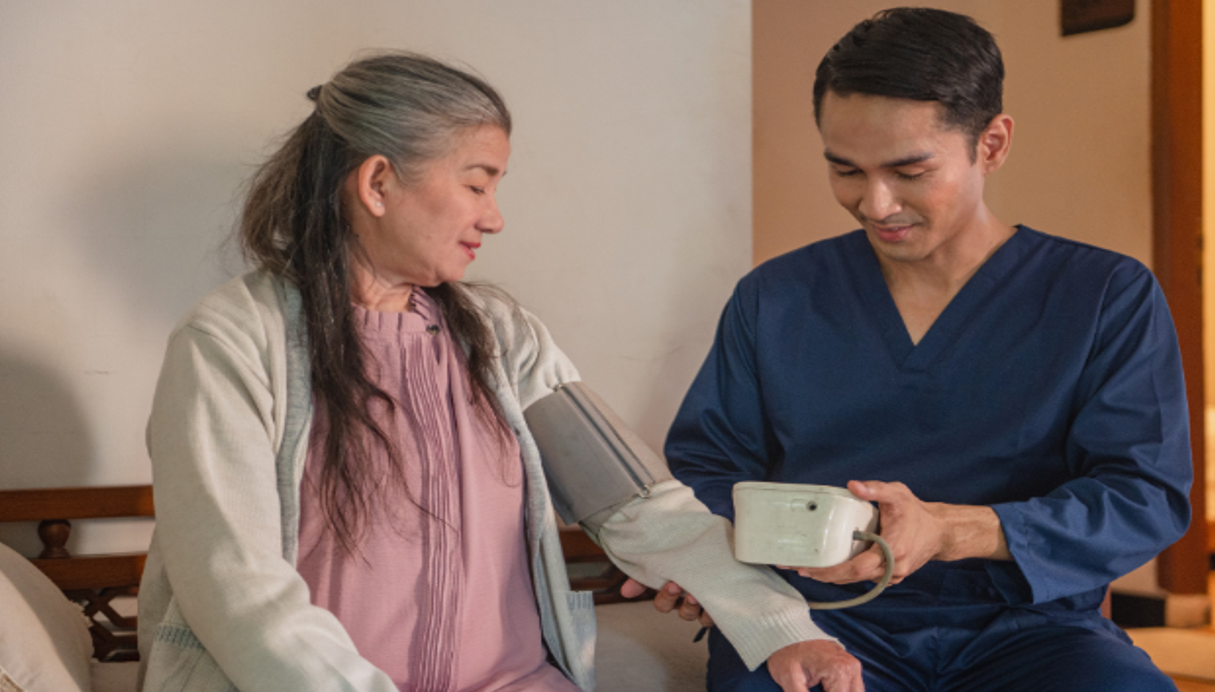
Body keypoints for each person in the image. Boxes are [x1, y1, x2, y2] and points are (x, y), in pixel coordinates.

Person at [135, 51, 839, 692]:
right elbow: (237, 586)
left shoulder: (502, 339)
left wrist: (781, 626)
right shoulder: (230, 341)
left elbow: (636, 505)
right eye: (477, 185)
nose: (494, 218)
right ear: (378, 182)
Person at [645, 7, 1193, 692]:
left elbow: (1141, 495)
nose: (875, 204)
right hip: (817, 620)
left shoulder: (1104, 294)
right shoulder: (775, 297)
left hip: (1032, 631)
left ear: (991, 144)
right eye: (845, 170)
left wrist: (947, 530)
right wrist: (712, 567)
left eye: (908, 171)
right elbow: (707, 471)